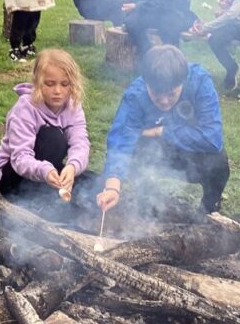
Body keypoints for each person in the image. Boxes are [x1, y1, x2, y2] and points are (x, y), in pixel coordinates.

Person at [96, 45, 229, 217]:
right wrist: (113, 187)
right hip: (159, 156)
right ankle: (146, 203)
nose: (165, 101)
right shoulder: (135, 95)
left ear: (182, 82)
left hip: (194, 156)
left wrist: (162, 131)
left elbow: (212, 137)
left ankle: (209, 210)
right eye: (157, 94)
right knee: (139, 145)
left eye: (171, 94)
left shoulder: (199, 82)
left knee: (218, 160)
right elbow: (121, 139)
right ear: (147, 83)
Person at [0, 49, 90, 213]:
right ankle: (39, 203)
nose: (57, 91)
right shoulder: (25, 108)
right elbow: (20, 158)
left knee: (92, 184)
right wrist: (45, 171)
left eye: (64, 84)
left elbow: (81, 143)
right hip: (13, 177)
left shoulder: (73, 106)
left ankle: (49, 199)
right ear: (37, 82)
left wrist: (72, 167)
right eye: (50, 84)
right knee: (53, 137)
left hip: (48, 170)